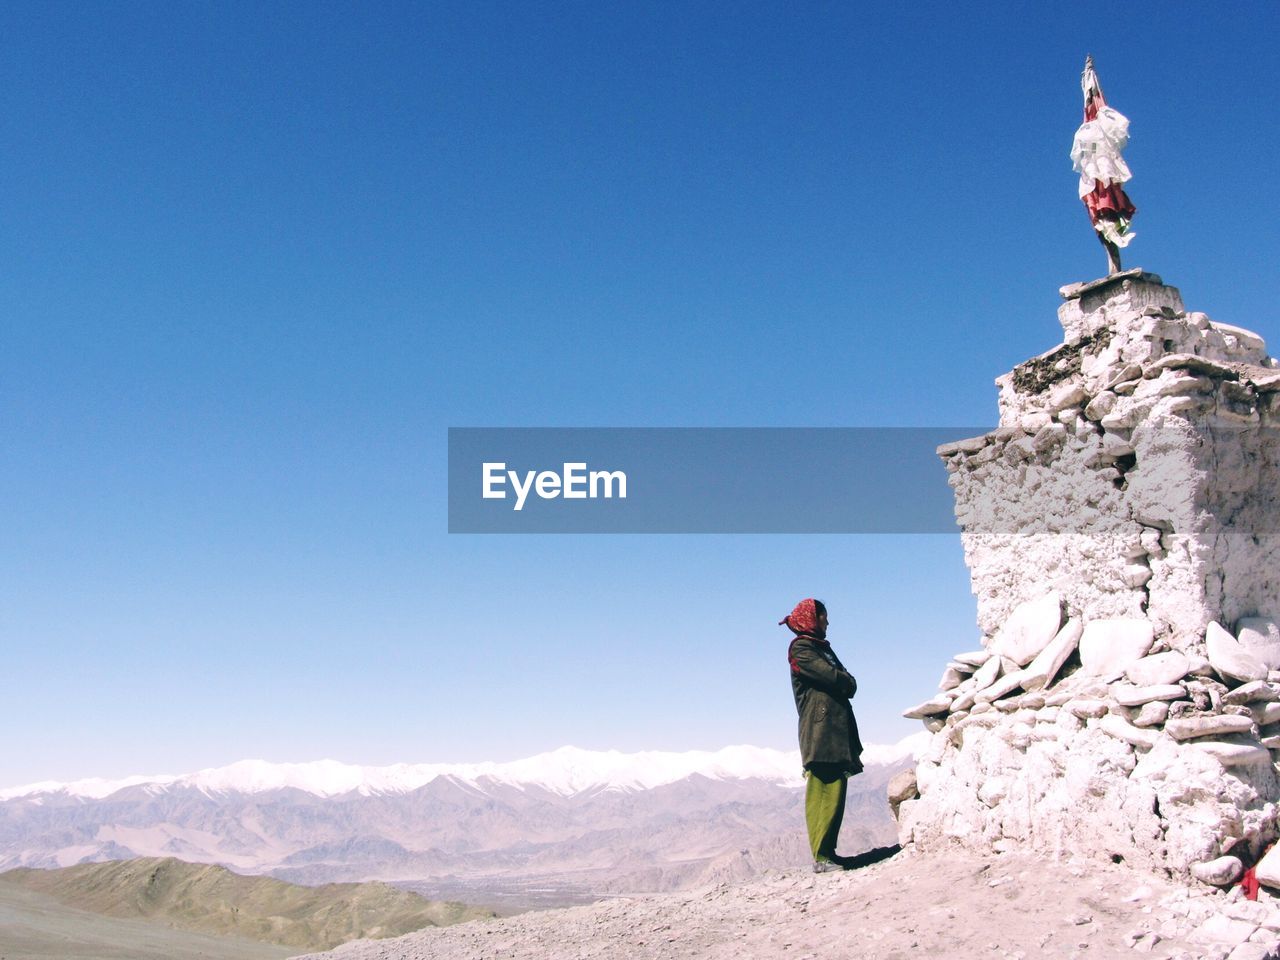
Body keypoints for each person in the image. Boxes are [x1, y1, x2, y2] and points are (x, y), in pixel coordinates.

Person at [780, 598, 864, 873]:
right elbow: (835, 677)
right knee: (822, 789)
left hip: (833, 730)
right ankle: (821, 856)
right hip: (821, 731)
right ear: (812, 619)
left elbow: (848, 682)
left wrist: (844, 680)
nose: (827, 622)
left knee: (835, 791)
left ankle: (828, 853)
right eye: (824, 617)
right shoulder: (802, 648)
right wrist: (843, 679)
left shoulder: (821, 649)